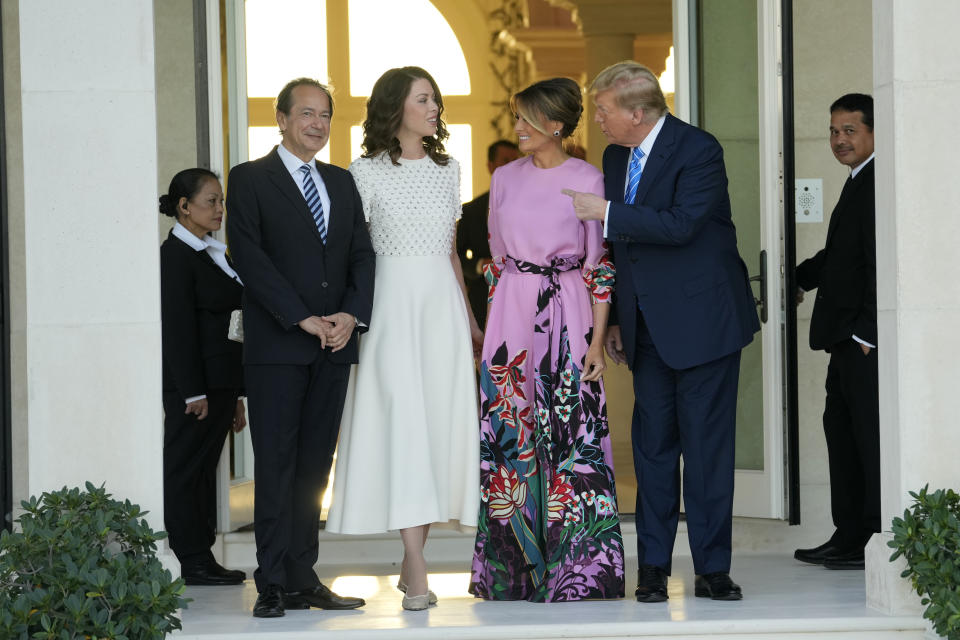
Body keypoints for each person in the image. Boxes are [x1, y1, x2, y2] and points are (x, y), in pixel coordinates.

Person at [564, 61, 760, 602]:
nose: (597, 120)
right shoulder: (613, 154)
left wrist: (607, 211)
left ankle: (712, 569)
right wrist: (621, 319)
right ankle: (652, 568)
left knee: (706, 452)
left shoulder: (699, 150)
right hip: (645, 327)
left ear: (636, 111)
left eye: (603, 110)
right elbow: (622, 250)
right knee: (651, 452)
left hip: (706, 325)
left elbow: (679, 225)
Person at [325, 66, 482, 611]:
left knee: (436, 428)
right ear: (397, 108)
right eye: (424, 99)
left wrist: (468, 318)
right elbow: (352, 254)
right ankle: (415, 567)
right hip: (389, 309)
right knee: (404, 429)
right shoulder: (362, 172)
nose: (435, 108)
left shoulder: (448, 169)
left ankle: (416, 558)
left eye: (436, 99)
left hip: (440, 309)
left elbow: (450, 252)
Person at [469, 77, 625, 602]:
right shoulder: (505, 177)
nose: (516, 126)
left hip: (570, 310)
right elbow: (494, 256)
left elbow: (599, 267)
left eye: (526, 118)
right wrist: (493, 329)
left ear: (555, 124)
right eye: (516, 116)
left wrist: (597, 343)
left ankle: (579, 574)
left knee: (573, 435)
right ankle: (510, 572)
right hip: (512, 309)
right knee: (510, 433)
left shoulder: (589, 177)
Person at [226, 78, 376, 618]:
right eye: (307, 113)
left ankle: (302, 576)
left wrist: (349, 315)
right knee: (277, 465)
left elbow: (362, 254)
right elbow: (248, 255)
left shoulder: (341, 181)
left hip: (334, 345)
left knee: (315, 467)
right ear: (282, 118)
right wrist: (302, 317)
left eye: (326, 115)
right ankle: (270, 579)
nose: (317, 124)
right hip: (278, 346)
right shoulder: (250, 179)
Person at [793, 93, 877, 571]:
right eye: (833, 130)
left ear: (871, 133)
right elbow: (840, 259)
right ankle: (850, 536)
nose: (839, 139)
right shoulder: (855, 182)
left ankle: (867, 539)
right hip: (844, 341)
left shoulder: (877, 183)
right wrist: (795, 279)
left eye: (849, 130)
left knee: (864, 440)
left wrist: (868, 335)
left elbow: (883, 261)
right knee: (841, 437)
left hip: (861, 343)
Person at [159, 168, 247, 587]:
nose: (219, 209)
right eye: (210, 201)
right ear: (183, 206)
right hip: (196, 388)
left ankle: (202, 555)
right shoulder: (175, 256)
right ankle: (189, 558)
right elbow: (176, 329)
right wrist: (193, 391)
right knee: (185, 471)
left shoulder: (212, 252)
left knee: (204, 471)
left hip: (221, 383)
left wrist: (238, 396)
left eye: (221, 201)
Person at [457, 140, 520, 328]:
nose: (511, 167)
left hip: (521, 296)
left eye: (515, 162)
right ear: (490, 166)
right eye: (505, 160)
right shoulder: (470, 210)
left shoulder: (532, 207)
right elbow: (456, 256)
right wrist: (479, 265)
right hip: (481, 299)